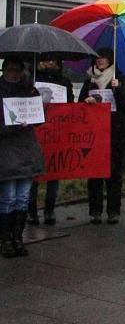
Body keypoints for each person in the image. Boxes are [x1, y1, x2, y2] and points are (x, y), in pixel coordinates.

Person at [80, 48, 125, 225]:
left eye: (104, 57)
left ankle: (113, 211)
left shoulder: (120, 79)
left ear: (110, 60)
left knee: (113, 173)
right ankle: (95, 211)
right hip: (93, 133)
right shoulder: (89, 80)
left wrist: (119, 89)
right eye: (97, 58)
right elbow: (80, 105)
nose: (100, 60)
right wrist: (86, 102)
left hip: (114, 132)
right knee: (94, 173)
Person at [0, 58, 44, 258]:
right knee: (8, 198)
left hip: (27, 151)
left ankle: (18, 238)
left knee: (23, 198)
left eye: (17, 70)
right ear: (4, 70)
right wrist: (14, 126)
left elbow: (39, 119)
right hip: (6, 152)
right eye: (10, 70)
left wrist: (36, 104)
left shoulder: (29, 90)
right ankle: (5, 239)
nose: (14, 74)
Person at [27, 55, 74, 225]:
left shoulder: (64, 81)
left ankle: (49, 209)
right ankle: (31, 210)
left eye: (53, 60)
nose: (49, 63)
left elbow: (70, 104)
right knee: (33, 173)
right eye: (45, 60)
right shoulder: (30, 80)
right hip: (35, 131)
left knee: (54, 171)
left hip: (56, 132)